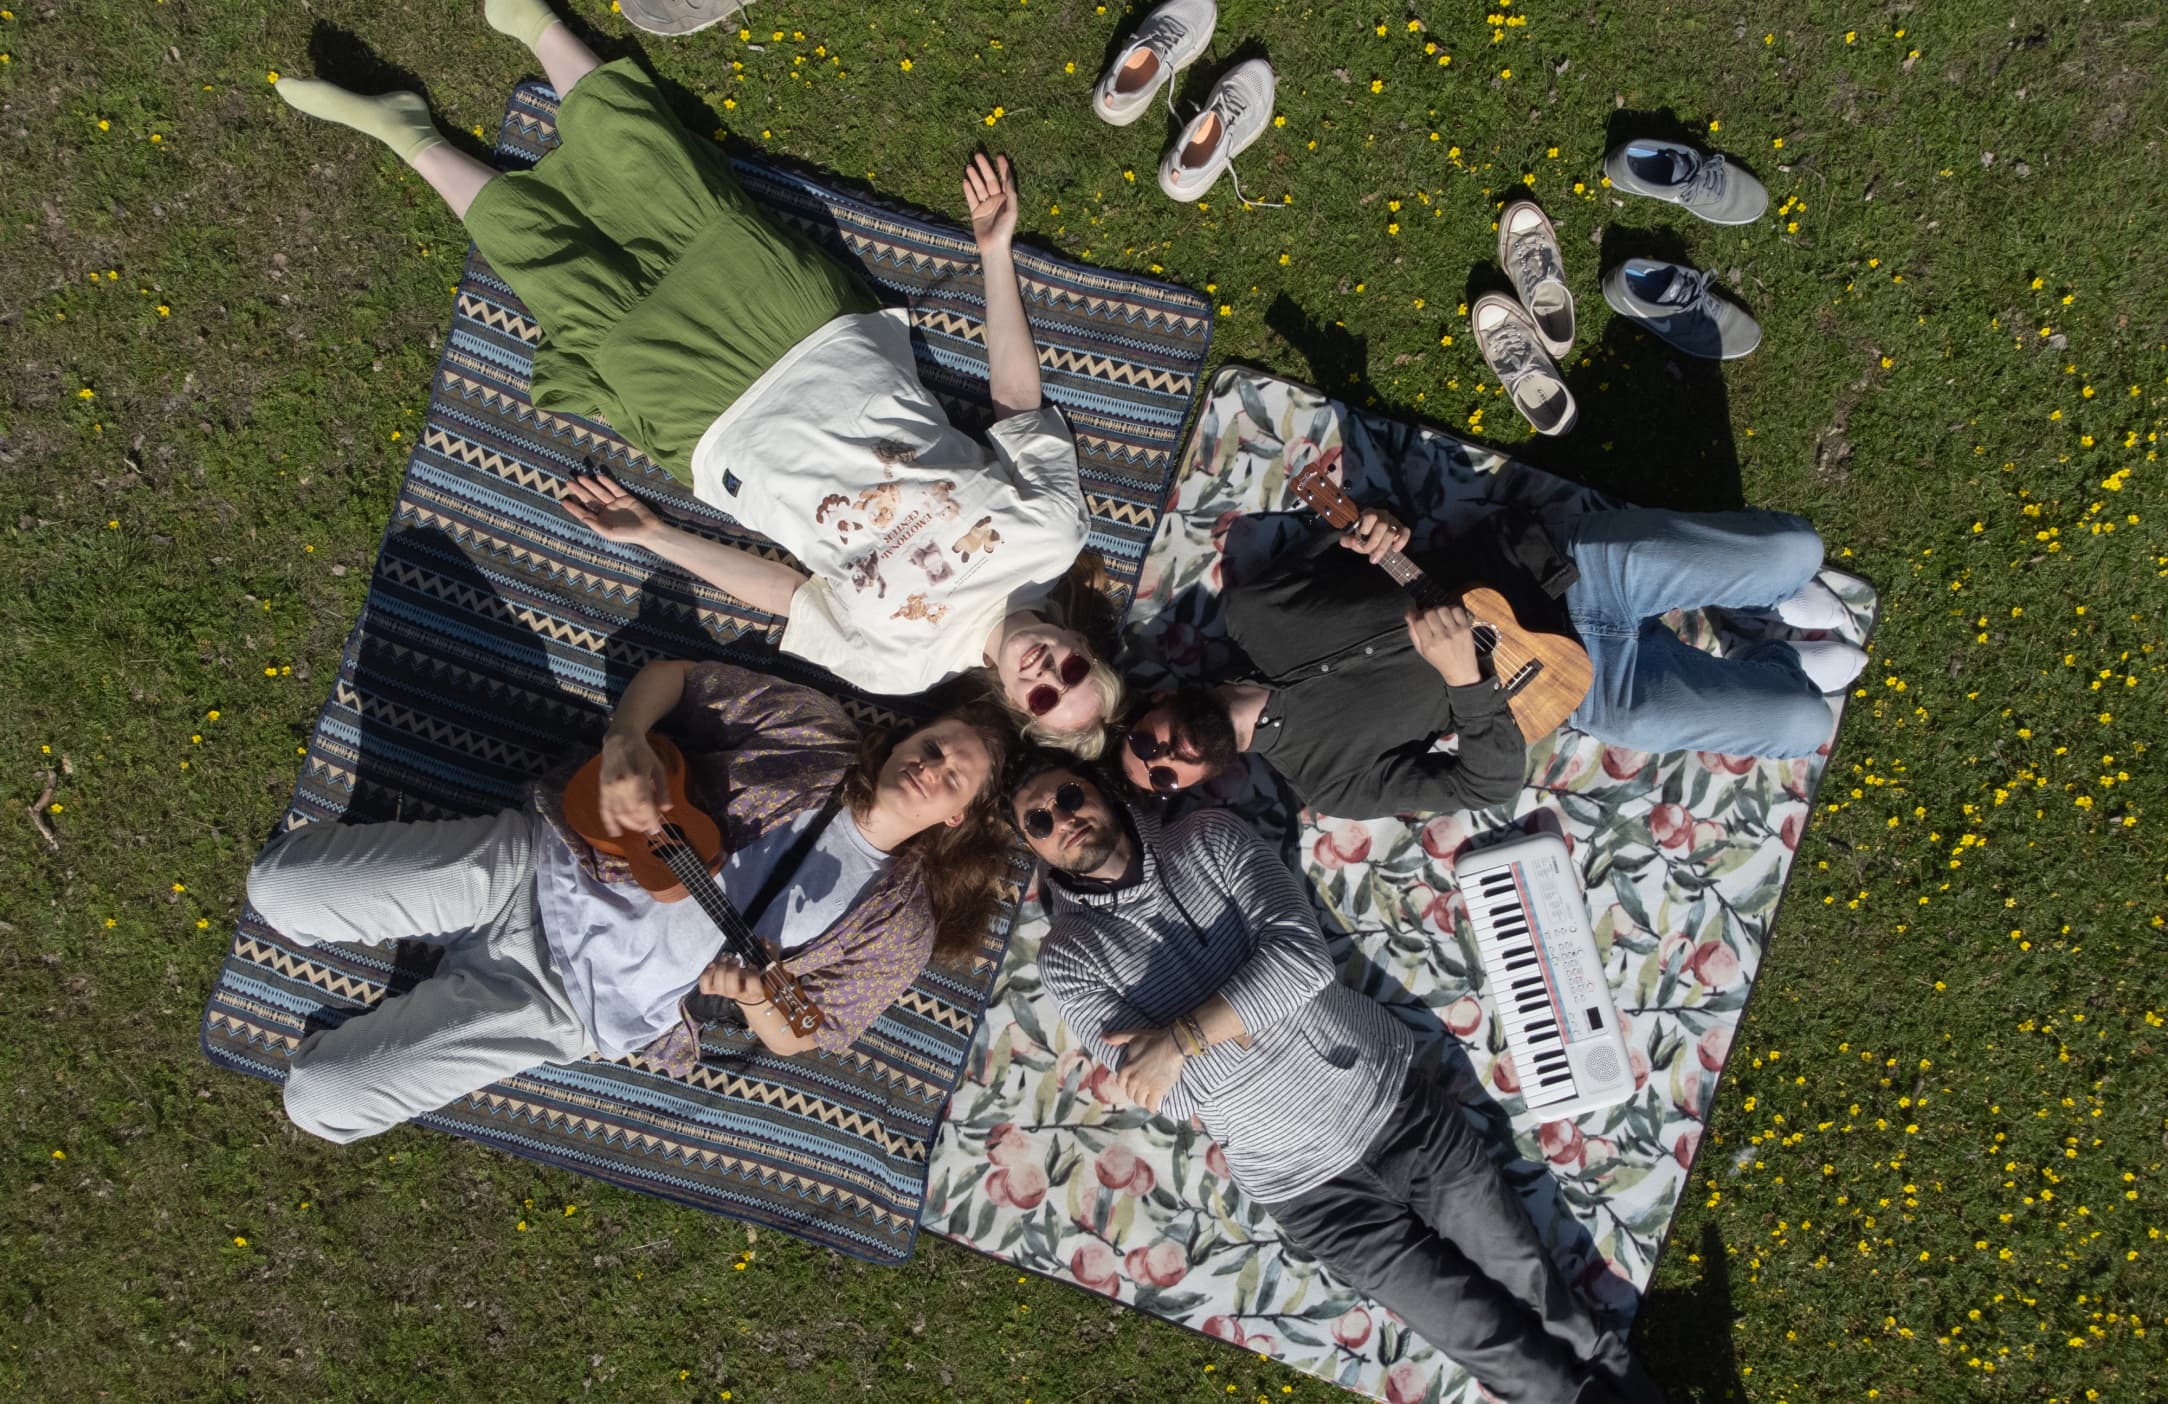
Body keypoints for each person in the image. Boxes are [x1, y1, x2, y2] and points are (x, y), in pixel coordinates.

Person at [272, 0, 1120, 751]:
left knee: (564, 283)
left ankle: (407, 133)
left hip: (719, 434)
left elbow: (788, 594)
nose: (1048, 672)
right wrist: (994, 252)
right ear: (1081, 644)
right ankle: (536, 23)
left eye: (1045, 698)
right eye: (1074, 670)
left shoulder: (903, 668)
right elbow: (1016, 402)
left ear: (1015, 708)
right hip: (819, 343)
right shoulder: (1054, 535)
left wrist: (655, 536)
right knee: (673, 184)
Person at [1010, 755, 1663, 1404]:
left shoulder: (1207, 837)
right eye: (1038, 821)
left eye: (1067, 795)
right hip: (1310, 1195)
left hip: (1391, 1105)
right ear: (1034, 848)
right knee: (1485, 1343)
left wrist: (1179, 1040)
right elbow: (1174, 1094)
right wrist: (1246, 999)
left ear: (1101, 788)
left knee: (1532, 1280)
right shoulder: (1068, 959)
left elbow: (1302, 961)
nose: (1061, 819)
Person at [247, 658, 1013, 1144]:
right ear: (907, 736)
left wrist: (754, 999)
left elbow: (801, 1035)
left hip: (571, 1006)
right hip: (538, 865)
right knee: (276, 885)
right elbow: (672, 678)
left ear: (958, 818)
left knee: (320, 1101)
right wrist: (626, 738)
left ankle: (412, 1003)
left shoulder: (899, 926)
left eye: (953, 777)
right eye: (933, 746)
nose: (931, 767)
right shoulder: (814, 733)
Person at [1120, 502, 1867, 814]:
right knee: (1802, 724)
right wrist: (1464, 682)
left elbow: (1362, 527)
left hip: (1564, 571)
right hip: (1573, 685)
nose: (1166, 758)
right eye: (1162, 778)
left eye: (1146, 745)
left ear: (1155, 701)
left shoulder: (1253, 610)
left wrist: (1374, 527)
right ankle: (1765, 650)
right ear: (1192, 785)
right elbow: (1489, 785)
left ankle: (1760, 596)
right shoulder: (1330, 785)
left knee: (1796, 550)